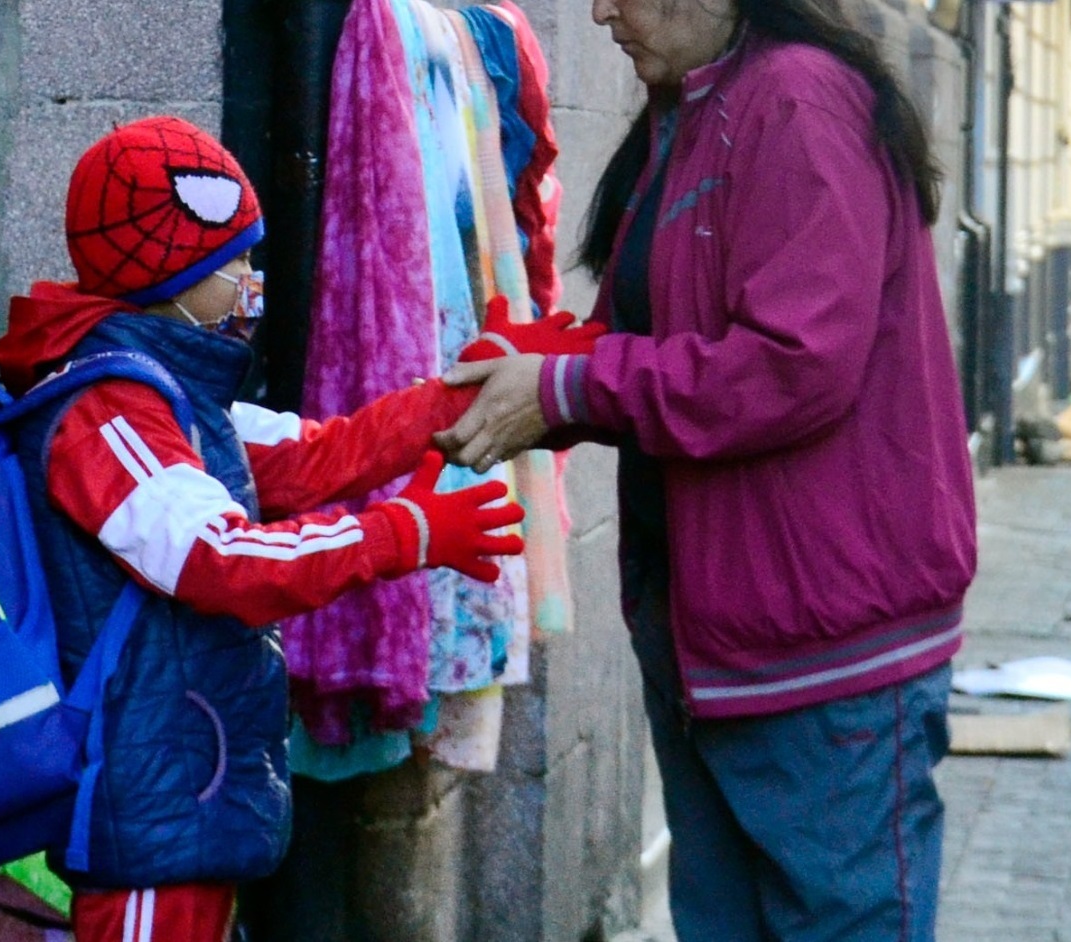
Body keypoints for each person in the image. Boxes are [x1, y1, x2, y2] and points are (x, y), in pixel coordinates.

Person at [435, 2, 976, 940]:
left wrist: (569, 388)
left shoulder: (797, 101)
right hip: (717, 636)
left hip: (819, 651)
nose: (601, 11)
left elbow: (793, 365)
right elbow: (675, 334)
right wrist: (535, 373)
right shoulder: (694, 105)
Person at [0, 116, 598, 942]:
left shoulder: (171, 396)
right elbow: (219, 560)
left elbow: (313, 457)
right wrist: (399, 536)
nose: (251, 281)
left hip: (184, 789)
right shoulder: (105, 414)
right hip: (142, 809)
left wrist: (452, 395)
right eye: (232, 261)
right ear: (168, 271)